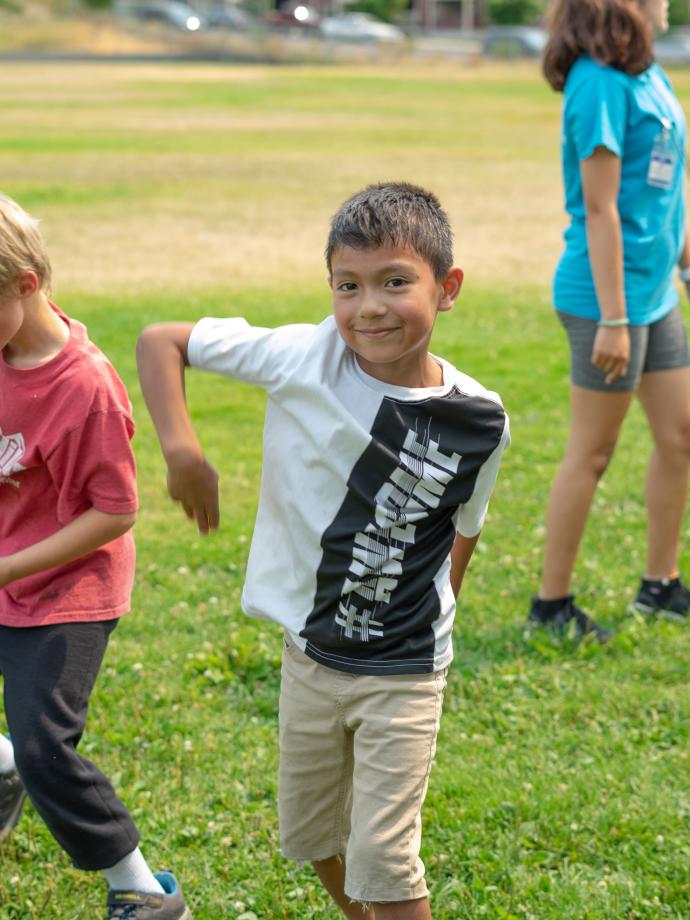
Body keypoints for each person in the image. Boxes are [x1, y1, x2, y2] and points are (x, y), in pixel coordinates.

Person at [137, 182, 510, 919]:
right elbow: (161, 341)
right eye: (349, 285)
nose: (368, 306)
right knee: (310, 836)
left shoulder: (478, 419)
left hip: (403, 670)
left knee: (385, 857)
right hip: (309, 656)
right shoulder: (301, 357)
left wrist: (437, 616)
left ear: (448, 289)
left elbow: (465, 527)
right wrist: (183, 453)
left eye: (395, 282)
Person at [0, 195, 190, 920]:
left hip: (62, 591)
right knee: (24, 748)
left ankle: (138, 887)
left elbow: (116, 511)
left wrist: (14, 567)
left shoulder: (84, 388)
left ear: (26, 284)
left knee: (48, 743)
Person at [530, 0, 690, 638]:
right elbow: (600, 210)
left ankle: (659, 585)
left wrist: (681, 254)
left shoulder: (645, 72)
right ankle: (550, 607)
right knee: (592, 453)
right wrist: (615, 320)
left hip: (654, 294)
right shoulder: (595, 83)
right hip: (606, 302)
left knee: (681, 438)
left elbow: (661, 183)